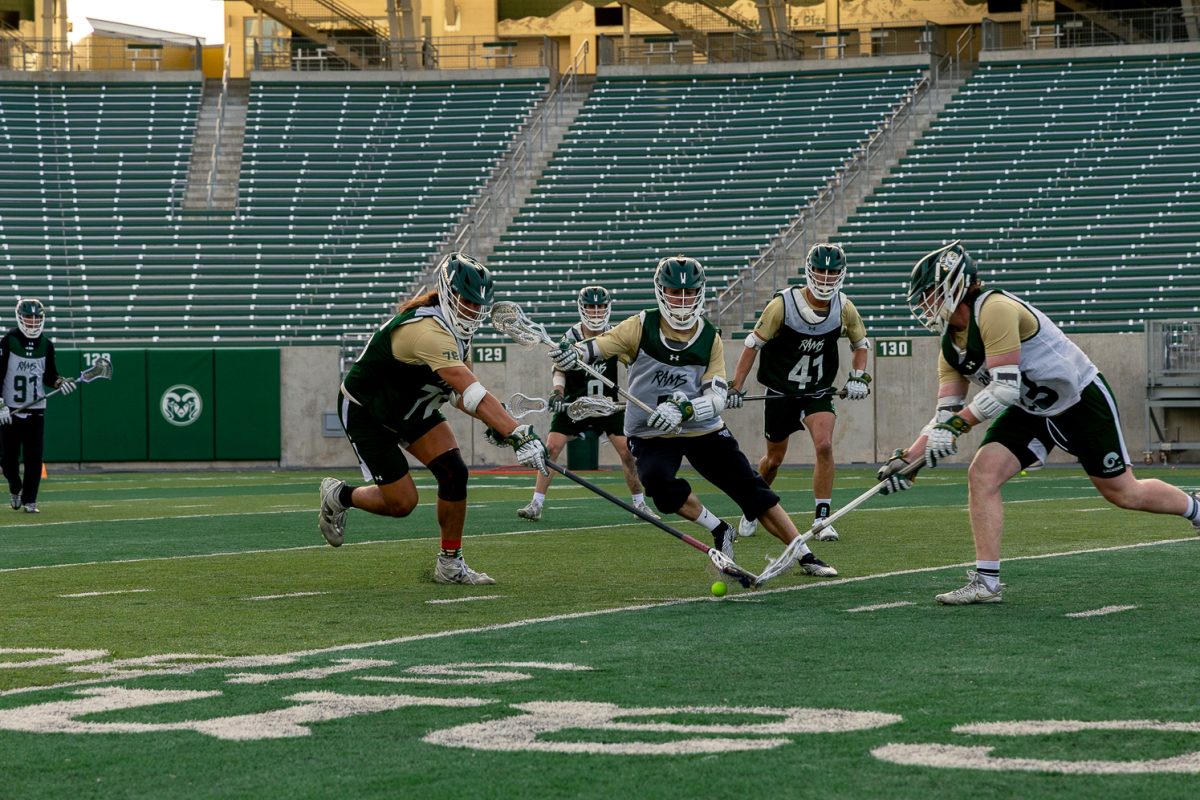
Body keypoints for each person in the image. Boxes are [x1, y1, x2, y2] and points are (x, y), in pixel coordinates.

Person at [877, 240, 1200, 604]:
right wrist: (910, 460)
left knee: (1123, 492)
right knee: (982, 474)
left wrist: (954, 429)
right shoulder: (950, 346)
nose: (926, 304)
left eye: (931, 294)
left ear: (955, 285)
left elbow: (1003, 390)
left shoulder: (994, 308)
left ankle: (1196, 508)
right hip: (1030, 410)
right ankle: (987, 582)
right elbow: (944, 416)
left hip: (1076, 399)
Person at [551, 254, 838, 578]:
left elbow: (716, 397)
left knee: (752, 489)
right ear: (662, 291)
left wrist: (684, 408)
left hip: (700, 426)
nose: (683, 300)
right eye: (676, 292)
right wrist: (571, 353)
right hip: (650, 430)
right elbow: (598, 347)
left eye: (689, 293)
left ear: (700, 293)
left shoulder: (707, 337)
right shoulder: (640, 326)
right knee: (658, 485)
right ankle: (719, 528)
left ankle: (804, 554)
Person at [318, 252, 549, 585]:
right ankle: (338, 496)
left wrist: (503, 428)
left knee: (454, 473)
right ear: (447, 292)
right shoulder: (428, 329)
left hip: (413, 408)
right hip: (369, 411)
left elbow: (458, 396)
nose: (471, 310)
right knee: (402, 504)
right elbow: (471, 392)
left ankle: (450, 563)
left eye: (476, 304)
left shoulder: (458, 334)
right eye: (465, 300)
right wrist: (517, 433)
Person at [727, 243, 872, 543]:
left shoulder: (844, 306)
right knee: (774, 460)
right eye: (820, 270)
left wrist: (859, 377)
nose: (826, 277)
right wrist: (736, 387)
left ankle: (822, 518)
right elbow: (753, 345)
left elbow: (861, 346)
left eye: (832, 272)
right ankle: (753, 505)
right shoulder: (783, 304)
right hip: (781, 391)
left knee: (824, 445)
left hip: (817, 390)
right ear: (809, 270)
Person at [516, 285, 657, 522]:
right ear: (582, 308)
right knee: (550, 448)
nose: (595, 311)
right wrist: (558, 392)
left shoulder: (614, 335)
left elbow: (633, 364)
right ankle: (536, 503)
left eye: (600, 306)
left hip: (606, 406)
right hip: (574, 404)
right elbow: (559, 369)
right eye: (591, 306)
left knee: (628, 453)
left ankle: (639, 505)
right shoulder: (570, 337)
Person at [0, 299, 76, 514]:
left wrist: (60, 383)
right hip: (10, 410)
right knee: (7, 460)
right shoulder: (8, 341)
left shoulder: (46, 344)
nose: (32, 322)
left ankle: (30, 500)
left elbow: (50, 375)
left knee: (34, 459)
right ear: (20, 317)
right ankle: (15, 487)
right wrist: (0, 404)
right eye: (28, 317)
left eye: (36, 318)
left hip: (36, 409)